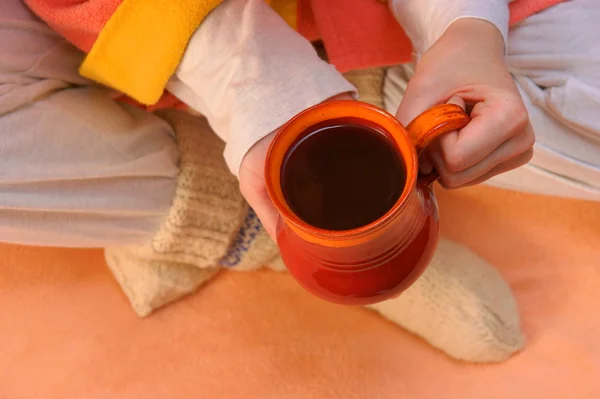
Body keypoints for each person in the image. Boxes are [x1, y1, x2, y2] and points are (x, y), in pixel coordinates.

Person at [1, 0, 596, 362]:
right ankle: (248, 219)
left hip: (382, 23)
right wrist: (259, 90)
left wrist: (464, 34)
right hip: (141, 27)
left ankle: (364, 107)